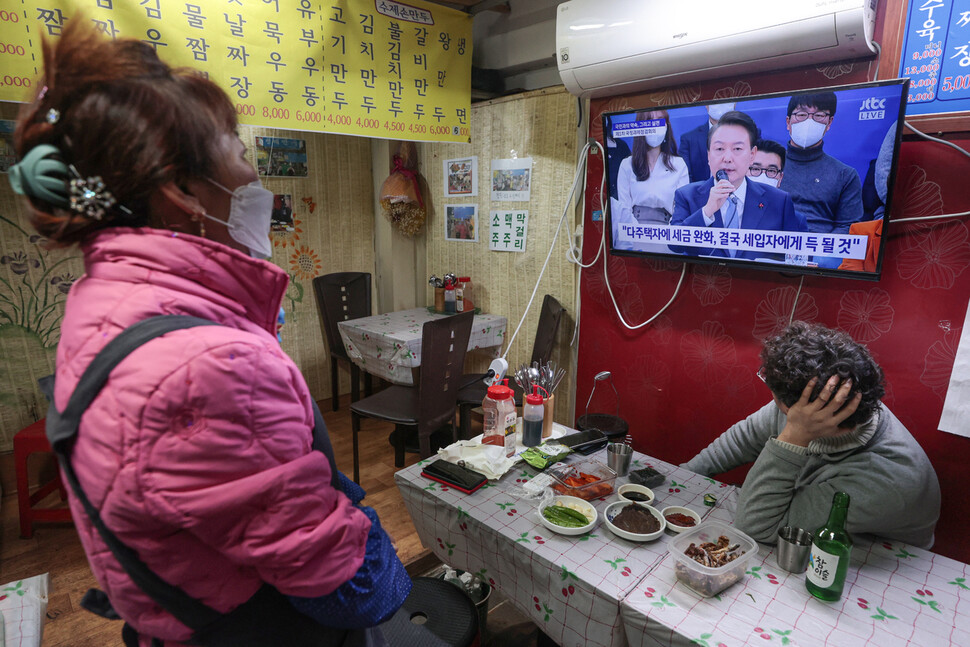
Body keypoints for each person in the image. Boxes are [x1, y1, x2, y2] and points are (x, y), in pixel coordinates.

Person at [8, 21, 408, 646]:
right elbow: (351, 587)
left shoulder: (103, 303)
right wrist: (373, 533)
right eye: (239, 150)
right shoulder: (212, 363)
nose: (252, 173)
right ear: (183, 194)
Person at [683, 322, 941, 548]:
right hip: (810, 516)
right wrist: (682, 476)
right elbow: (741, 440)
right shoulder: (824, 403)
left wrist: (794, 435)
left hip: (873, 553)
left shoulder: (888, 480)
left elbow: (756, 525)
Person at [670, 111, 806, 261]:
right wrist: (707, 211)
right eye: (719, 149)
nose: (727, 158)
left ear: (752, 155)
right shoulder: (687, 195)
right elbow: (675, 245)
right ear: (708, 155)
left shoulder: (779, 201)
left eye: (737, 149)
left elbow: (793, 260)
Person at [778, 91, 864, 269]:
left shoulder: (845, 174)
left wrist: (820, 255)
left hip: (821, 259)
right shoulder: (766, 167)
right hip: (770, 247)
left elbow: (848, 226)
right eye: (801, 114)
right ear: (788, 122)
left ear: (829, 122)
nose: (809, 122)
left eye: (819, 115)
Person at [613, 110, 689, 252]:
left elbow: (681, 210)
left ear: (667, 126)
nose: (655, 126)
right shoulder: (627, 164)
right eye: (649, 120)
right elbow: (624, 209)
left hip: (667, 237)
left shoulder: (679, 164)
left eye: (660, 120)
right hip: (634, 237)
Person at [679, 102, 735, 183]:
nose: (720, 103)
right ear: (706, 104)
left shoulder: (749, 135)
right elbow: (686, 179)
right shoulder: (689, 140)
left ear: (735, 103)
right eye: (716, 100)